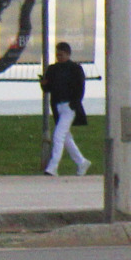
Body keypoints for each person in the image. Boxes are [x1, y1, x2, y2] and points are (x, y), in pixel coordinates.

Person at [39, 42, 89, 178]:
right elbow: (48, 89)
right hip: (57, 106)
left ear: (68, 54)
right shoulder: (52, 69)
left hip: (69, 107)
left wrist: (74, 103)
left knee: (58, 135)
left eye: (61, 54)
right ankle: (81, 162)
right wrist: (44, 84)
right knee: (66, 137)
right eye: (57, 55)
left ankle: (53, 166)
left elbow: (80, 88)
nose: (58, 57)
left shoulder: (75, 68)